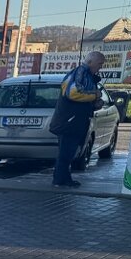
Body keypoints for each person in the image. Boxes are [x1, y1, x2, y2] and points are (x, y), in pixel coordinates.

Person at [49, 51, 106, 187]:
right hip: (69, 121)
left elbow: (82, 98)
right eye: (100, 63)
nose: (101, 67)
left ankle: (64, 178)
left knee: (69, 153)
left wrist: (95, 104)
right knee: (66, 153)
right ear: (91, 61)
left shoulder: (88, 76)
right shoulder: (80, 73)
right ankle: (60, 180)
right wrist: (94, 96)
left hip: (75, 121)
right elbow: (72, 93)